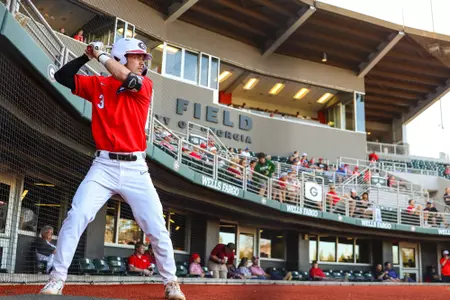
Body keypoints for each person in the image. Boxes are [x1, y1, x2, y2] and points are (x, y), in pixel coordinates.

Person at [39, 38, 185, 299]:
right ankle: (57, 278)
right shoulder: (99, 84)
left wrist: (100, 54)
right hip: (103, 165)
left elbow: (127, 79)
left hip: (136, 168)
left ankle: (171, 282)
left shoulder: (143, 85)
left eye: (142, 57)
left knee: (156, 227)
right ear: (120, 57)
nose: (143, 61)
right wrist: (86, 56)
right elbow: (62, 76)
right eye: (136, 56)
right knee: (76, 217)